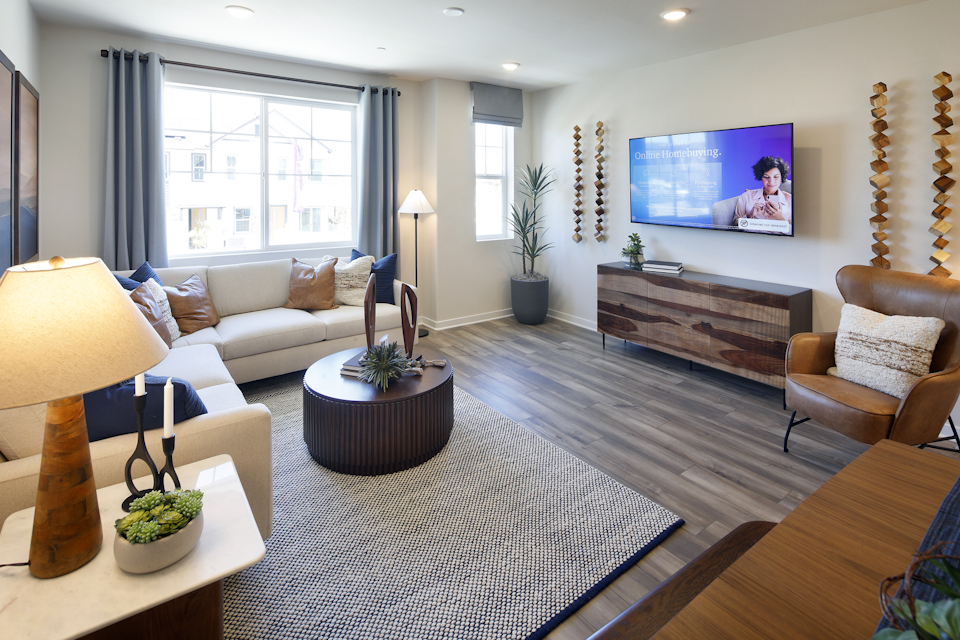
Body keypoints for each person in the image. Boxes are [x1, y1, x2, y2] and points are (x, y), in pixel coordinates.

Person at [733, 156, 792, 226]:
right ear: (761, 176)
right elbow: (735, 225)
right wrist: (749, 215)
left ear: (781, 177)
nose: (771, 182)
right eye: (766, 177)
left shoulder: (790, 199)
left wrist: (781, 219)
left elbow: (795, 229)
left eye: (776, 177)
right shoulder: (746, 196)